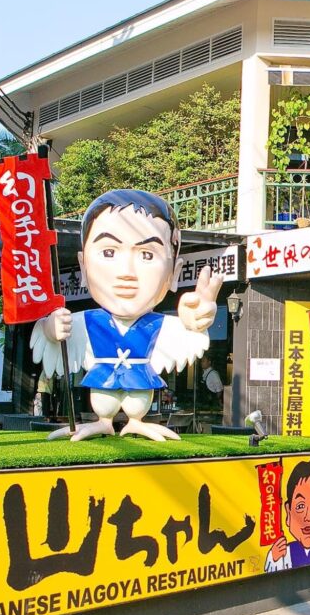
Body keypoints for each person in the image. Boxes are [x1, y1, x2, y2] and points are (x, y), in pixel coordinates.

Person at [30, 189, 221, 442]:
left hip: (139, 376)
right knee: (104, 396)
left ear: (174, 273)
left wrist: (193, 324)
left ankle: (136, 420)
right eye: (109, 252)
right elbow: (50, 338)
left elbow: (189, 335)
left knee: (137, 397)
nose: (126, 272)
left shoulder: (158, 325)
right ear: (83, 266)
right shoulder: (87, 322)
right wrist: (50, 329)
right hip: (104, 376)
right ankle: (103, 421)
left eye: (146, 255)